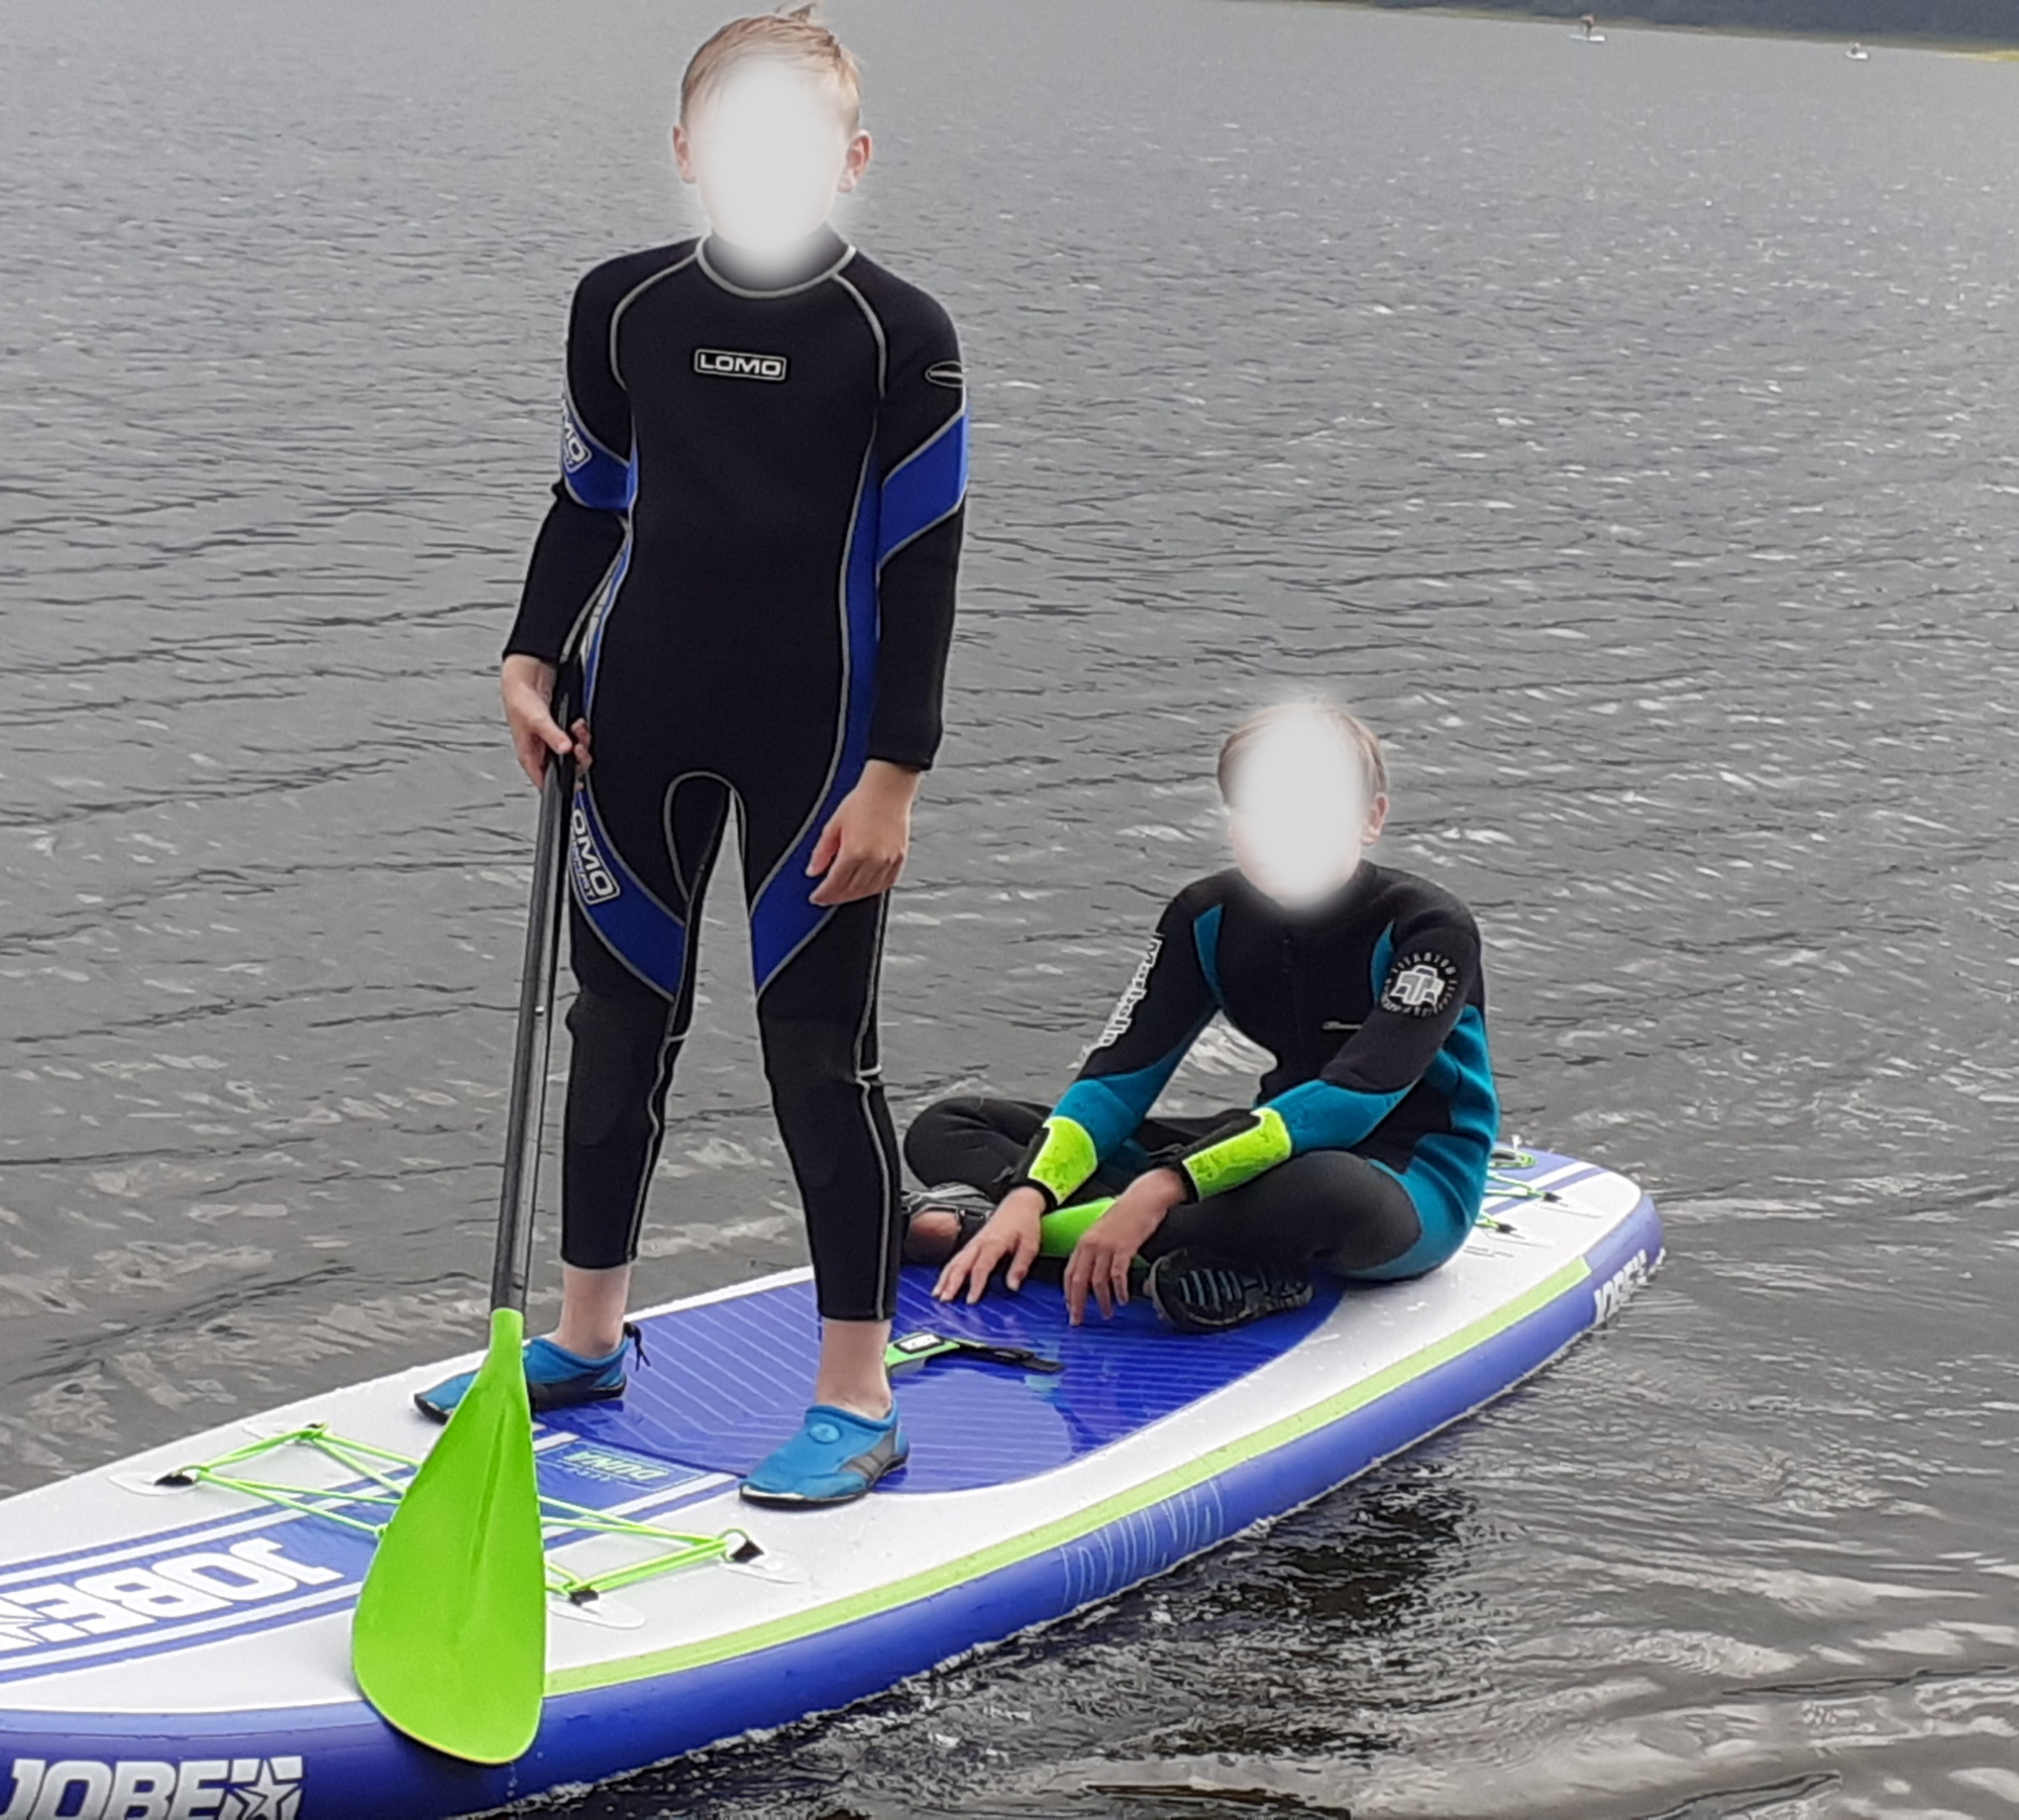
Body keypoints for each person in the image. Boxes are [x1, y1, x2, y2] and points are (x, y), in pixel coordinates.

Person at [420, 5, 968, 1510]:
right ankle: (587, 1338)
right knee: (616, 1026)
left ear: (851, 157)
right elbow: (586, 505)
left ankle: (853, 1394)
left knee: (815, 1057)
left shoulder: (896, 334)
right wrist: (528, 657)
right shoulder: (621, 306)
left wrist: (896, 773)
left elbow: (921, 565)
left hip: (824, 747)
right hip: (632, 719)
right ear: (683, 150)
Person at [913, 701, 1497, 1333]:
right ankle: (1156, 1257)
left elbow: (1355, 1100)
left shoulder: (1429, 928)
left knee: (1322, 1189)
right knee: (950, 1126)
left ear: (1370, 818)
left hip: (1405, 1177)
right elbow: (1118, 1081)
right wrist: (1032, 1191)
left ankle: (987, 1230)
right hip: (1257, 1149)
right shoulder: (1208, 915)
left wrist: (1161, 1187)